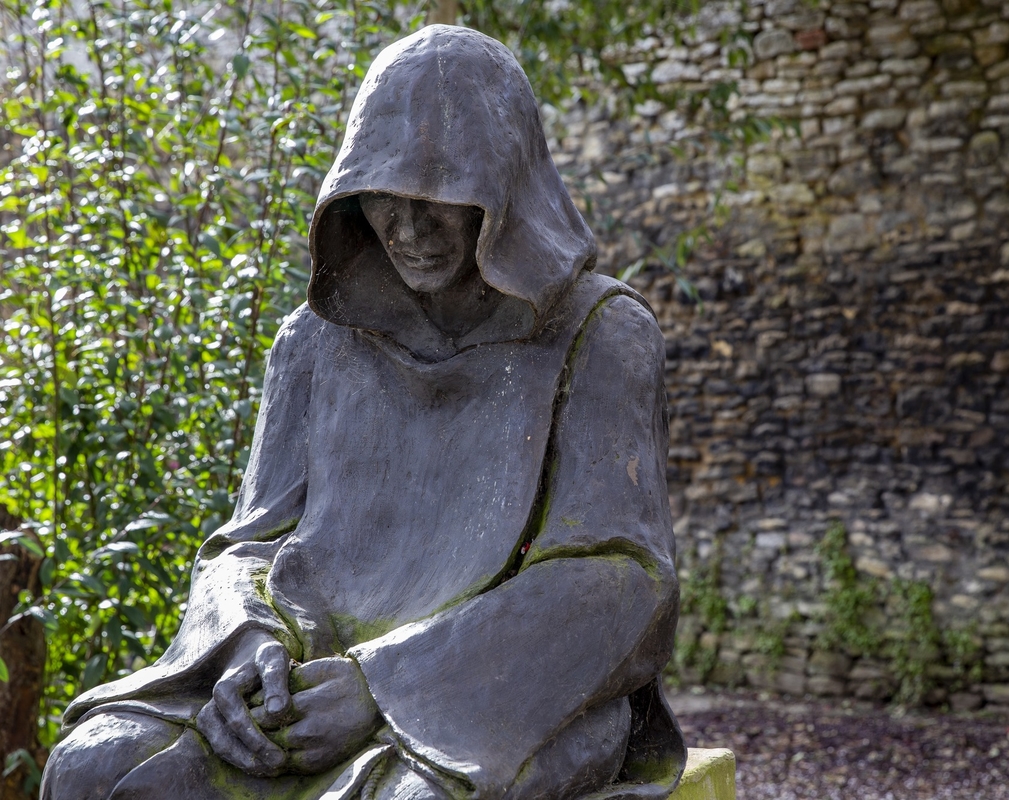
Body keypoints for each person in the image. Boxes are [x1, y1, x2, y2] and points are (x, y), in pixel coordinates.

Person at [41, 24, 685, 800]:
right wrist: (252, 647)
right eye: (384, 195)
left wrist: (384, 685)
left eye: (440, 199)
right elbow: (247, 545)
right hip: (304, 682)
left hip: (500, 698)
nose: (408, 230)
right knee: (90, 766)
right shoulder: (312, 342)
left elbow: (622, 580)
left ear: (505, 186)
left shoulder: (601, 334)